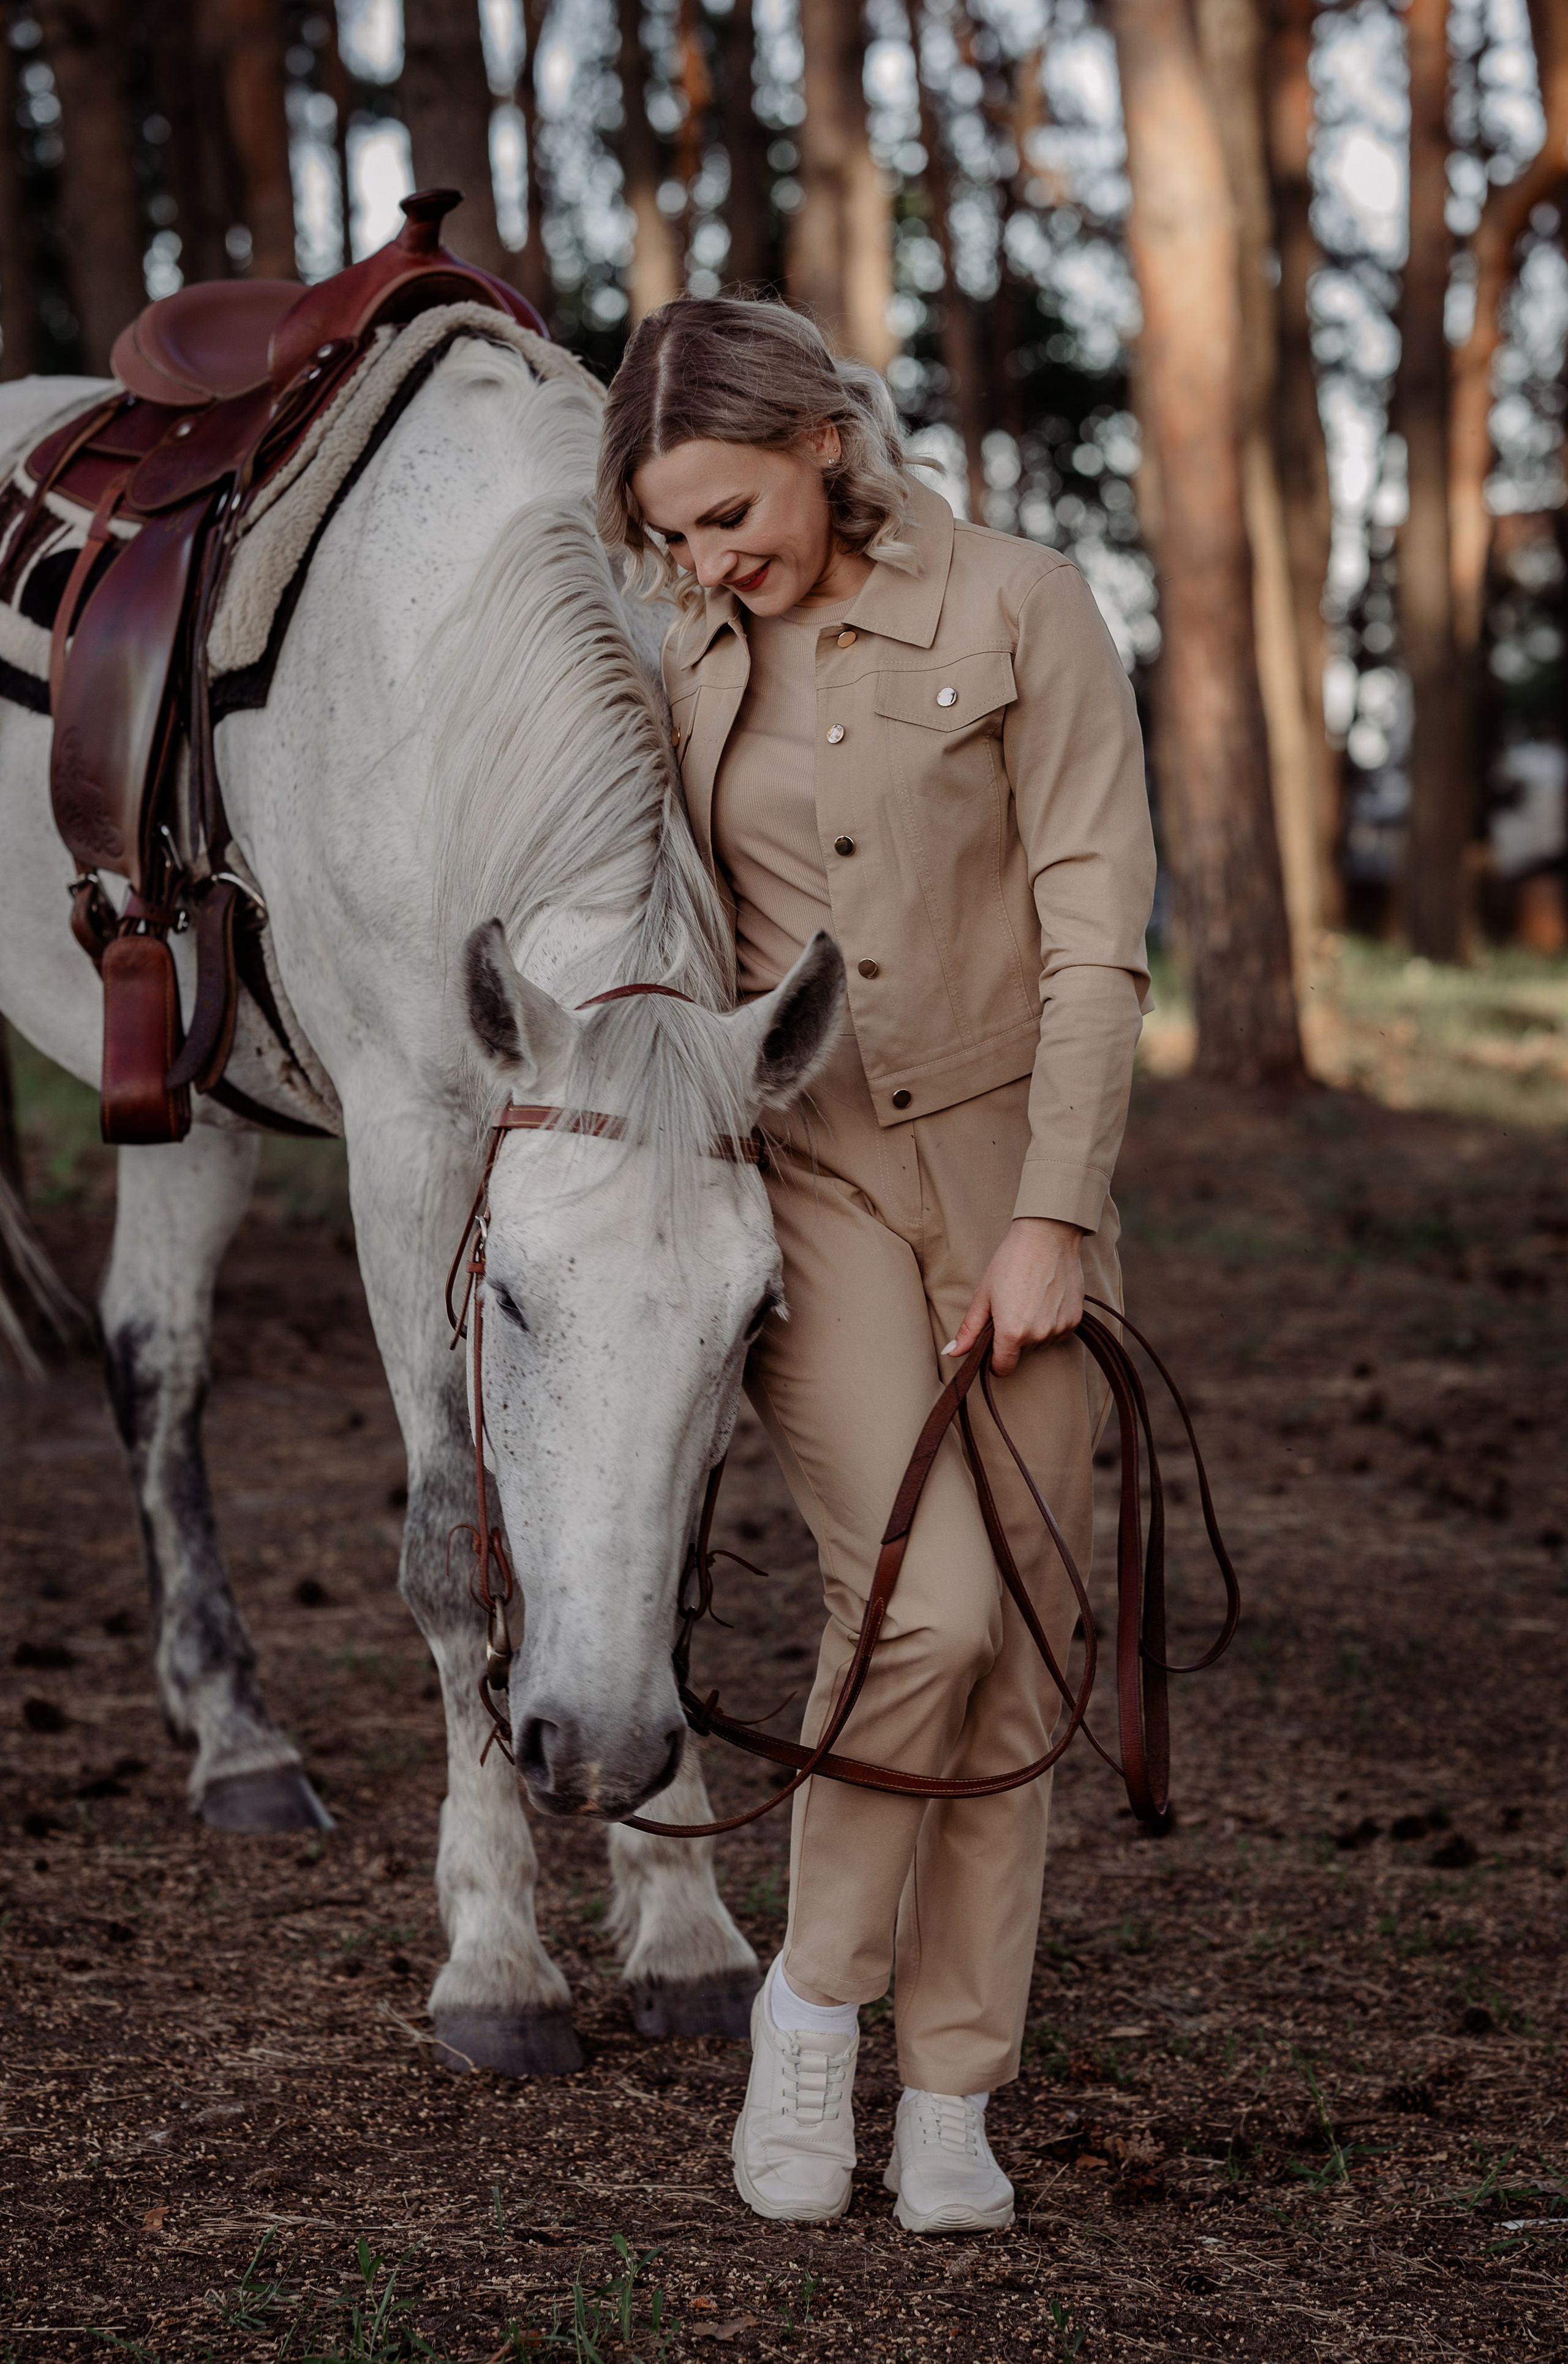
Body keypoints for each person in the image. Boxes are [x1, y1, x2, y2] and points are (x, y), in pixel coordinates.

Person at [595, 297, 1156, 2235]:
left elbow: (1098, 936)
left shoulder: (1027, 606)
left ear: (825, 441)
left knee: (1029, 1654)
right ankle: (816, 2008)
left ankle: (955, 2089)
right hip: (810, 1181)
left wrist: (1056, 1215)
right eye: (672, 533)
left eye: (729, 511)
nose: (706, 560)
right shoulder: (672, 658)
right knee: (919, 1614)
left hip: (1016, 1186)